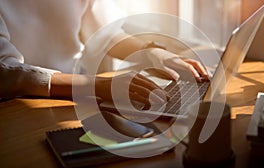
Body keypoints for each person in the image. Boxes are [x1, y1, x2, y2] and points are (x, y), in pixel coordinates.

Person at [0, 0, 209, 107]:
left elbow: (104, 34)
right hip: (15, 106)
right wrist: (97, 85)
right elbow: (5, 72)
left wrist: (152, 52)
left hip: (70, 99)